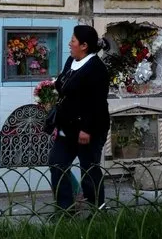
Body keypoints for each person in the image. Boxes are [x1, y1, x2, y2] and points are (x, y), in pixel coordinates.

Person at [49, 25, 110, 213]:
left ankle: (97, 209)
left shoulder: (96, 69)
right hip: (67, 127)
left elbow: (97, 102)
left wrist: (87, 129)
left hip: (88, 129)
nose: (70, 43)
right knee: (57, 163)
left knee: (89, 169)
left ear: (84, 45)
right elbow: (63, 89)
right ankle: (65, 208)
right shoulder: (71, 61)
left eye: (73, 40)